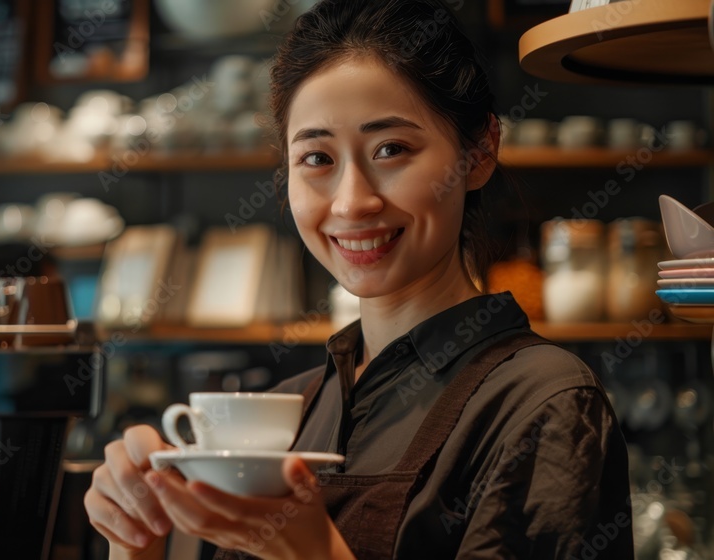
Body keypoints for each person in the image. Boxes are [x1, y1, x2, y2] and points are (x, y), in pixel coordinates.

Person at [84, 0, 634, 558]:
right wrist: (136, 538)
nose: (352, 203)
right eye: (317, 158)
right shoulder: (285, 411)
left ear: (480, 151)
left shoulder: (544, 402)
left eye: (391, 149)